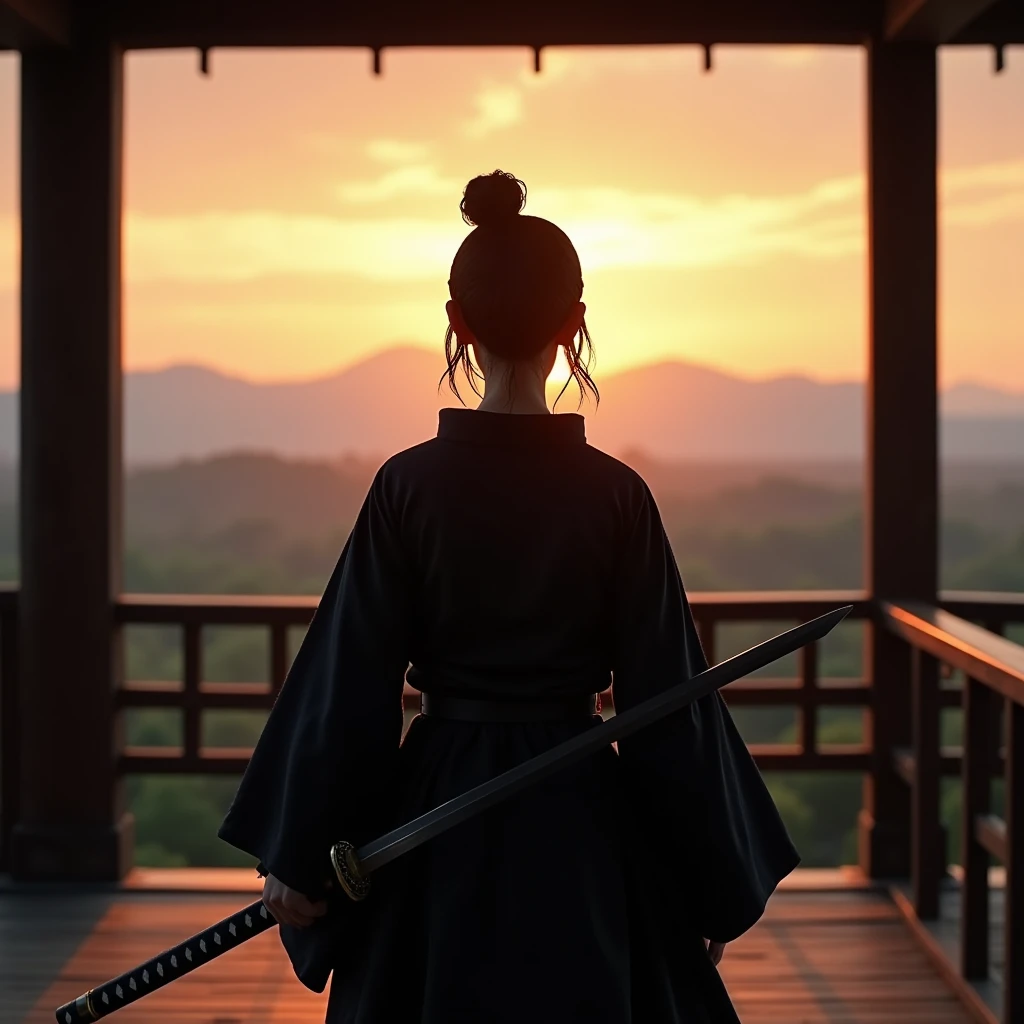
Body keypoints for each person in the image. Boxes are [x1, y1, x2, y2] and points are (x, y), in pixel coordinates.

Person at [217, 170, 799, 1023]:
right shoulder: (616, 496)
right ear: (576, 325)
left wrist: (300, 853)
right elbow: (666, 698)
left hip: (434, 820)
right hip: (582, 825)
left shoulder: (407, 488)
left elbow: (351, 678)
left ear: (457, 325)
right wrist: (702, 881)